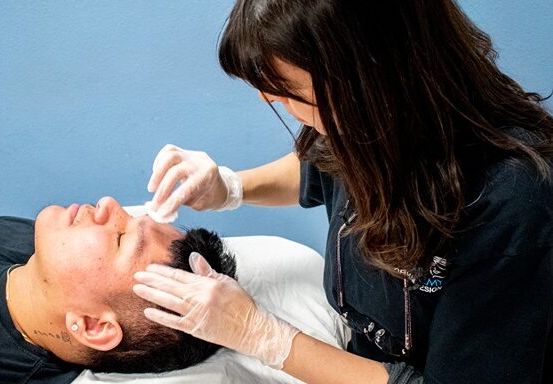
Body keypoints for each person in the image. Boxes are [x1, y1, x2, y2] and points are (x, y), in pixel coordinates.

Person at [133, 1, 553, 383]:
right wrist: (230, 187)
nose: (267, 99)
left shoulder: (511, 203)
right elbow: (322, 164)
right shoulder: (370, 123)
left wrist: (265, 337)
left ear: (378, 79)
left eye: (289, 92)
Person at [0, 196, 237, 383]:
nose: (109, 204)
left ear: (92, 326)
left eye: (119, 238)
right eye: (131, 218)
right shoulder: (27, 250)